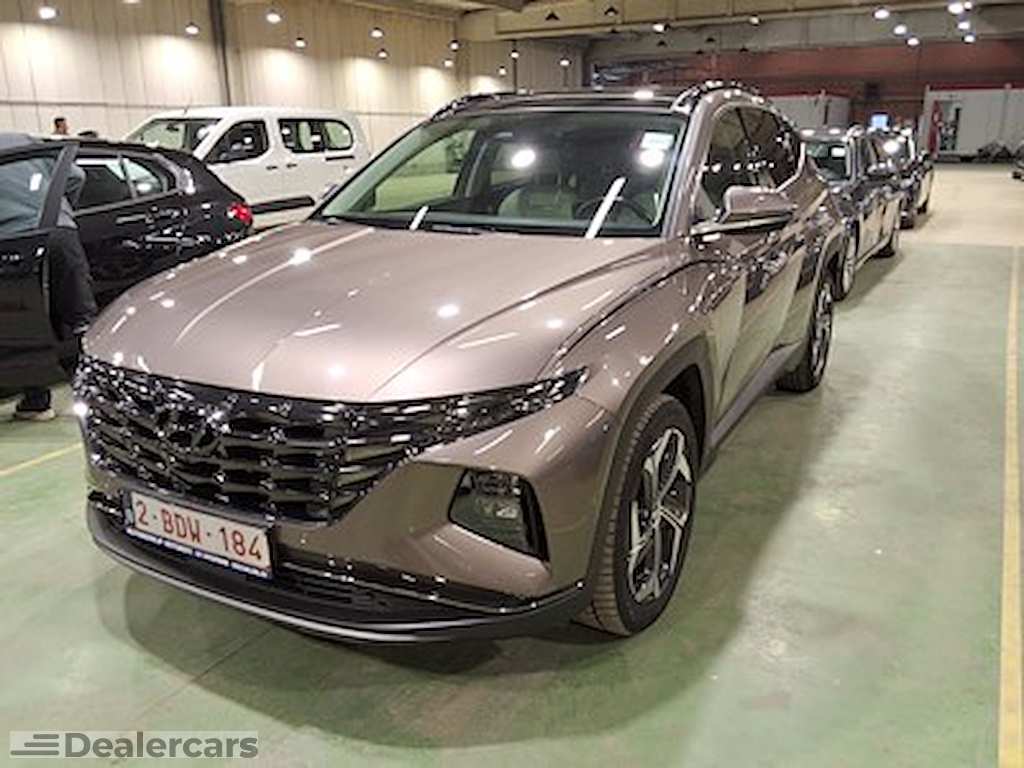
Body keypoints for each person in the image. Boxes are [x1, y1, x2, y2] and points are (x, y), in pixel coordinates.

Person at [0, 133, 94, 421]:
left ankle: (37, 401)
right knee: (81, 319)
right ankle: (95, 397)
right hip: (61, 233)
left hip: (14, 241)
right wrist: (61, 209)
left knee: (24, 325)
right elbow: (76, 176)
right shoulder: (23, 140)